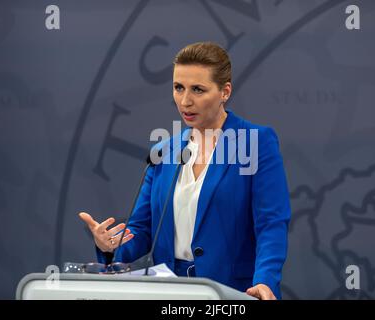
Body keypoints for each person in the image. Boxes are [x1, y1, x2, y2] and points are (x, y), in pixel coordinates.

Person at [79, 42, 291, 300]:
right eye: (178, 88)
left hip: (233, 293)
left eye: (198, 90)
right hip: (171, 294)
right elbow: (143, 231)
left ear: (225, 91)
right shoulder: (163, 151)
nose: (185, 101)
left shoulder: (256, 142)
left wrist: (265, 281)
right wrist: (110, 245)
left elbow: (271, 224)